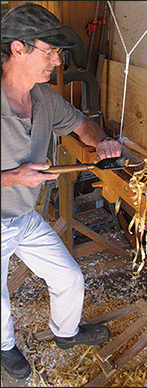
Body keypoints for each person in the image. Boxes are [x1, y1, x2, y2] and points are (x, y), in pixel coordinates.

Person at [1, 3, 121, 380]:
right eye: (48, 51)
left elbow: (82, 125)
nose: (56, 60)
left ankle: (65, 333)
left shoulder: (44, 98)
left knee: (69, 277)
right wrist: (13, 177)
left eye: (58, 52)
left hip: (24, 216)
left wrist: (101, 142)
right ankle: (5, 349)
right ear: (18, 48)